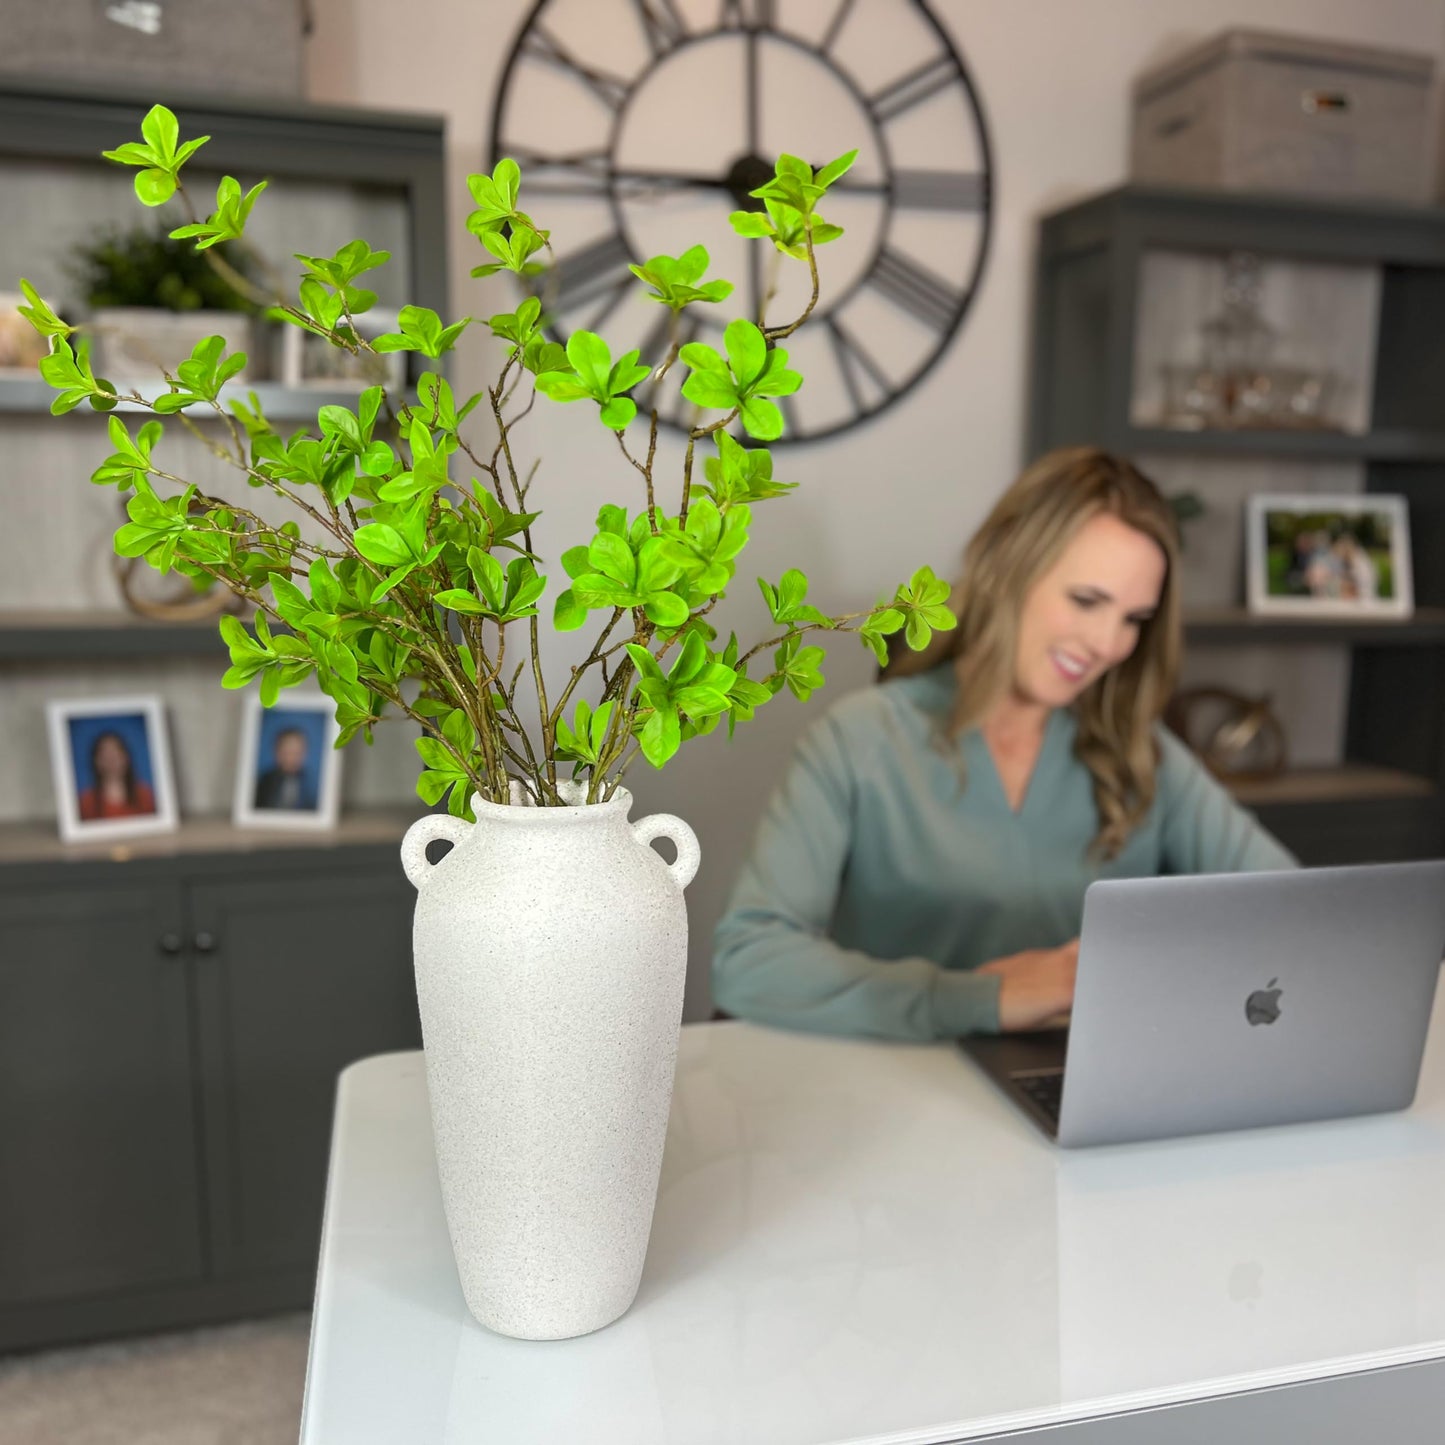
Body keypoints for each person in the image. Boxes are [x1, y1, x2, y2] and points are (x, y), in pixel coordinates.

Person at [712, 447, 1296, 1042]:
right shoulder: (860, 738)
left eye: (1134, 618)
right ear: (1005, 570)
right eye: (1087, 600)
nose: (1107, 642)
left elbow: (1291, 913)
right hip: (900, 1092)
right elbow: (750, 962)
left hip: (1084, 1091)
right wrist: (982, 997)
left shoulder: (1143, 753)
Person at [77, 729, 156, 820]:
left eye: (116, 753)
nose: (111, 760)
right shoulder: (86, 802)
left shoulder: (145, 795)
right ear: (97, 761)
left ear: (126, 758)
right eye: (105, 755)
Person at [254, 726, 318, 810]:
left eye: (297, 753)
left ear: (305, 754)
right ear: (277, 752)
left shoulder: (312, 785)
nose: (292, 758)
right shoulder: (263, 782)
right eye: (288, 752)